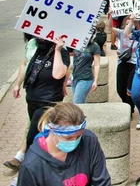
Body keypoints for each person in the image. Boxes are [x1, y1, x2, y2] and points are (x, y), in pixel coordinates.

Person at [17, 102, 111, 186]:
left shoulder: (89, 141)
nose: (74, 141)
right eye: (68, 137)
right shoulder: (31, 165)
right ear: (52, 130)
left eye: (79, 136)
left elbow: (102, 182)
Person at [22, 37, 70, 150]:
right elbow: (29, 69)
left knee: (32, 138)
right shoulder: (39, 50)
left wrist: (57, 50)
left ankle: (31, 163)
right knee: (40, 137)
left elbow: (58, 74)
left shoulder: (62, 53)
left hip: (47, 104)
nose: (39, 38)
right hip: (32, 100)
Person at [3, 35, 39, 171]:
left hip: (48, 94)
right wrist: (17, 84)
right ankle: (24, 157)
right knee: (31, 124)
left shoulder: (57, 45)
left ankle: (23, 157)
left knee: (37, 126)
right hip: (31, 91)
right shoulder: (31, 43)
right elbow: (25, 64)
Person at [113, 15, 138, 115]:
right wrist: (111, 16)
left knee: (129, 89)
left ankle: (129, 108)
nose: (129, 26)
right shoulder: (121, 33)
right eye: (127, 24)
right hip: (122, 63)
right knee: (120, 89)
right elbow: (110, 27)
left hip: (134, 64)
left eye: (131, 23)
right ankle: (125, 104)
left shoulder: (138, 35)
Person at [71, 36, 101, 104]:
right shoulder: (76, 42)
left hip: (86, 78)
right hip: (75, 78)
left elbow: (97, 65)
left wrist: (96, 80)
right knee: (81, 102)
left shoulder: (94, 46)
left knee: (77, 102)